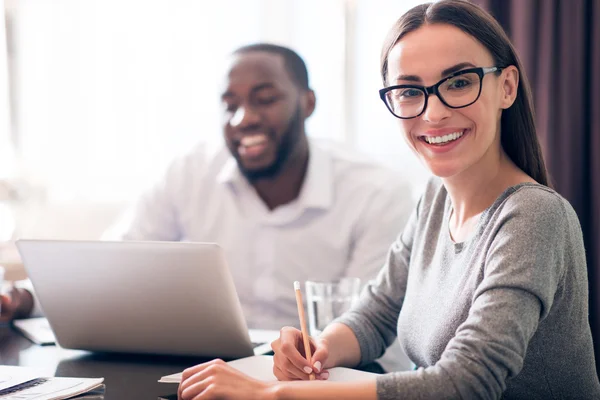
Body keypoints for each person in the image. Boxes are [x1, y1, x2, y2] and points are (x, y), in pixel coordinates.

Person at [175, 1, 600, 399]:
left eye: (459, 83)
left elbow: (469, 381)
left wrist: (274, 393)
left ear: (506, 87)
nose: (433, 114)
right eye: (409, 91)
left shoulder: (534, 215)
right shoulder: (435, 199)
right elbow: (375, 315)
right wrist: (319, 348)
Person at [0, 44, 413, 340]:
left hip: (321, 374)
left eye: (264, 99)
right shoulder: (189, 173)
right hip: (201, 370)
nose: (243, 118)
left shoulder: (376, 193)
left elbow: (368, 326)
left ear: (307, 104)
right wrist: (21, 298)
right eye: (229, 104)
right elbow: (113, 268)